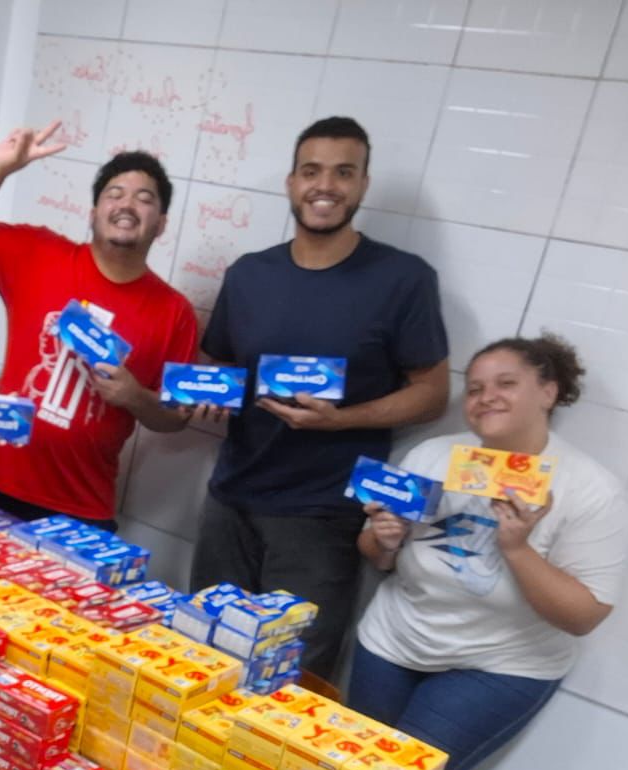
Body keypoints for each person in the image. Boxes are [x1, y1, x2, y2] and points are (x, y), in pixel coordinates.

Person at [191, 116, 450, 676]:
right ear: (291, 182)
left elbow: (432, 394)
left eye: (342, 172)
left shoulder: (402, 279)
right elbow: (224, 371)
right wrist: (208, 397)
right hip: (230, 502)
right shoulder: (249, 274)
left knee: (290, 682)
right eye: (311, 171)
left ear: (362, 185)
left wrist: (341, 421)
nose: (324, 186)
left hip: (321, 518)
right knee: (202, 662)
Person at [349, 334, 628, 770]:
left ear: (548, 392)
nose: (486, 398)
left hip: (498, 664)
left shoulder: (589, 488)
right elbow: (375, 557)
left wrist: (517, 548)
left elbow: (583, 616)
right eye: (476, 388)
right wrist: (385, 540)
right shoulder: (433, 455)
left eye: (506, 383)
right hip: (393, 641)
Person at [0, 123, 199, 528]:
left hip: (84, 509)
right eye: (114, 194)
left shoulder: (175, 311)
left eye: (144, 198)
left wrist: (134, 396)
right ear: (94, 213)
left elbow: (176, 415)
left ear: (161, 223)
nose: (127, 204)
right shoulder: (39, 254)